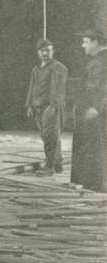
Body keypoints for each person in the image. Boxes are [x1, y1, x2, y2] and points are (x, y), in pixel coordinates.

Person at [70, 28, 107, 192]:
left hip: (95, 112)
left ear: (96, 42)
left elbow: (98, 87)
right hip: (95, 110)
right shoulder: (98, 59)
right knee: (94, 147)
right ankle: (94, 183)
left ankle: (96, 184)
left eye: (85, 42)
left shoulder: (101, 61)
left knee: (95, 147)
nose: (82, 45)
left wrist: (95, 107)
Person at [25, 39, 68, 176]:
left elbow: (58, 89)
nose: (45, 53)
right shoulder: (36, 70)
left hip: (50, 108)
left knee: (51, 137)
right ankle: (58, 163)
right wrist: (29, 105)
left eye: (48, 50)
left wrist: (53, 106)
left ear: (53, 51)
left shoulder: (58, 67)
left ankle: (49, 167)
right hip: (38, 108)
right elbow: (31, 88)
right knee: (48, 137)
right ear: (38, 52)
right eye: (42, 51)